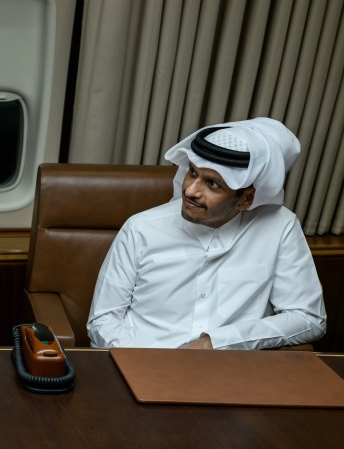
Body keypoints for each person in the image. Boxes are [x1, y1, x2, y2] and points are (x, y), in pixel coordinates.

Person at [87, 117, 326, 350]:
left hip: (231, 373)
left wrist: (218, 342)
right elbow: (103, 323)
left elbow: (308, 318)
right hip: (141, 362)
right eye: (192, 172)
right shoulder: (141, 228)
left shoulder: (280, 227)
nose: (190, 191)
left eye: (212, 184)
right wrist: (160, 361)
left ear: (246, 198)